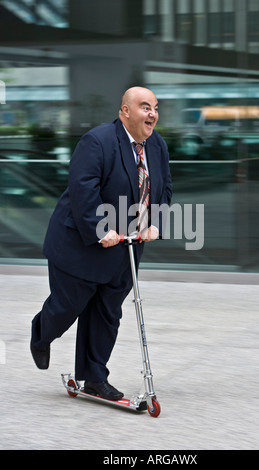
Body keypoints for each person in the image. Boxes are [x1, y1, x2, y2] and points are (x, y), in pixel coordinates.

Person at [30, 86, 172, 400]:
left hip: (127, 247)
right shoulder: (98, 141)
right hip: (80, 245)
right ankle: (41, 334)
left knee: (107, 313)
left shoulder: (157, 145)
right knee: (67, 307)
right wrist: (100, 229)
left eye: (155, 107)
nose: (152, 114)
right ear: (125, 111)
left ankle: (95, 377)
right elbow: (83, 190)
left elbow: (164, 190)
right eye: (145, 107)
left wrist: (155, 224)